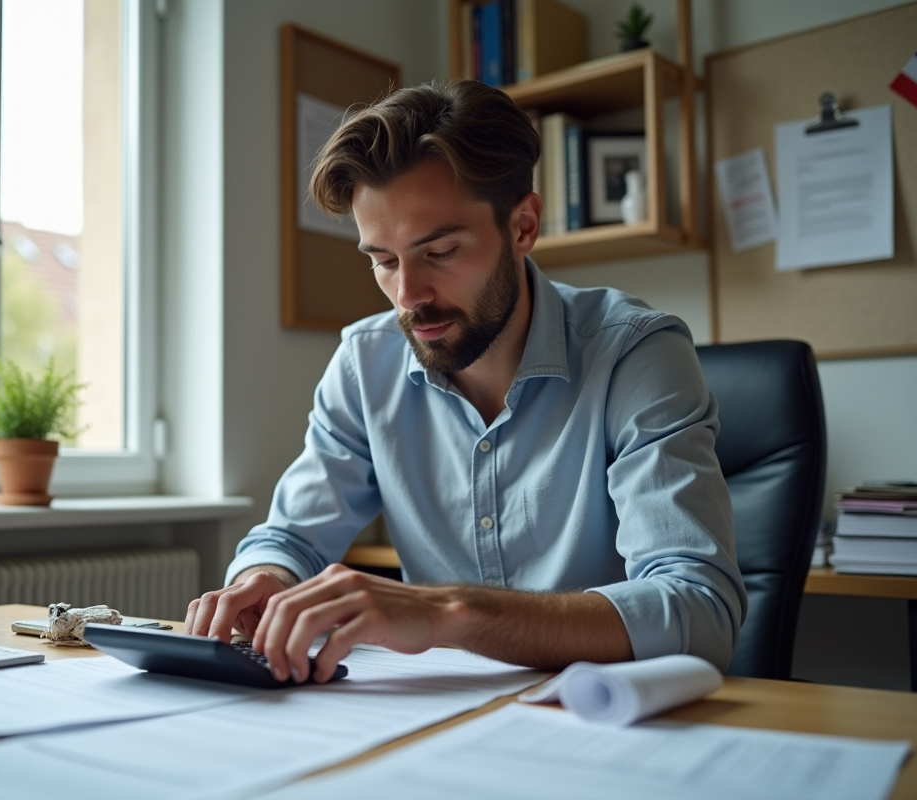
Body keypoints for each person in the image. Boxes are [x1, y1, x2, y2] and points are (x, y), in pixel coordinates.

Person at [185, 80, 746, 685]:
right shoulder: (363, 363)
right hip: (439, 723)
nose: (409, 296)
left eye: (442, 251)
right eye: (383, 260)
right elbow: (291, 536)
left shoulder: (636, 353)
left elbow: (700, 611)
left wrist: (452, 614)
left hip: (602, 720)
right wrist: (262, 579)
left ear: (523, 226)